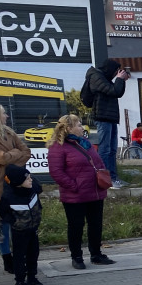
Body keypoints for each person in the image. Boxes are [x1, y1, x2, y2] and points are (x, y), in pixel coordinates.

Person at [47, 114, 113, 269]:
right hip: (75, 195)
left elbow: (98, 161)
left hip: (95, 192)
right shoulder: (58, 147)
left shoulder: (84, 143)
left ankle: (96, 254)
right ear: (68, 128)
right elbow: (56, 172)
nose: (82, 128)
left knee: (95, 224)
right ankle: (76, 257)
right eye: (78, 125)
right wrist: (74, 186)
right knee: (76, 226)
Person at [0, 101, 30, 285]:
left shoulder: (9, 132)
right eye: (3, 113)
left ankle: (15, 262)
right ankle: (7, 258)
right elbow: (1, 158)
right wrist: (11, 156)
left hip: (12, 186)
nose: (7, 116)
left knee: (11, 224)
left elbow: (26, 152)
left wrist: (9, 155)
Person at [0, 165, 44, 285]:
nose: (31, 180)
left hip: (33, 228)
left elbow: (38, 189)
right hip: (19, 231)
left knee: (33, 253)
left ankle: (32, 277)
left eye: (30, 177)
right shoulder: (8, 197)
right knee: (19, 255)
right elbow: (3, 213)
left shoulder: (33, 188)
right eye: (27, 178)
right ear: (18, 183)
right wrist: (13, 221)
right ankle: (19, 282)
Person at [87, 59, 130, 188]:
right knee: (104, 150)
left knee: (111, 150)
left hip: (110, 118)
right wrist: (119, 79)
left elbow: (118, 92)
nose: (116, 73)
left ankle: (113, 178)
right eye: (116, 71)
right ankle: (105, 179)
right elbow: (114, 91)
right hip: (102, 117)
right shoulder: (96, 77)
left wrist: (121, 80)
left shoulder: (104, 78)